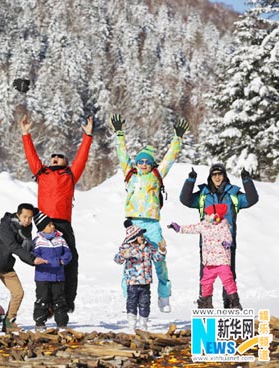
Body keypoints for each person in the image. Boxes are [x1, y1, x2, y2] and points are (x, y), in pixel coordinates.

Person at [110, 113, 189, 313]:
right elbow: (122, 153)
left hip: (152, 224)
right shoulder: (130, 174)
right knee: (129, 259)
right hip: (133, 223)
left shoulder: (156, 174)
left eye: (146, 161)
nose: (143, 164)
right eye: (140, 161)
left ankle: (164, 295)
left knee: (160, 258)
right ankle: (129, 297)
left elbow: (170, 158)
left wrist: (177, 139)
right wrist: (119, 133)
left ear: (151, 164)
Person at [20, 113, 93, 313]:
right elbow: (31, 156)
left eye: (60, 157)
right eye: (53, 156)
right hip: (44, 223)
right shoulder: (41, 172)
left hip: (63, 223)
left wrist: (87, 136)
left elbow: (82, 159)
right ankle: (45, 303)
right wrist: (26, 134)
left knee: (71, 259)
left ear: (65, 162)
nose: (55, 158)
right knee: (44, 261)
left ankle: (67, 302)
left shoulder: (70, 174)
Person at [179, 163, 258, 308]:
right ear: (210, 176)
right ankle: (204, 305)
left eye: (219, 174)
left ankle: (230, 305)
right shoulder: (203, 195)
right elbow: (186, 200)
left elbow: (252, 200)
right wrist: (190, 181)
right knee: (205, 278)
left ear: (224, 175)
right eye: (214, 174)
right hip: (207, 246)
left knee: (228, 277)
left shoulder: (233, 195)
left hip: (227, 245)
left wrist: (247, 180)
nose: (217, 177)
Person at [0, 203, 48, 334]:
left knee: (18, 292)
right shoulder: (5, 226)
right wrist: (32, 259)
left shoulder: (26, 230)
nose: (27, 220)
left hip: (6, 265)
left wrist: (34, 259)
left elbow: (24, 249)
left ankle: (9, 322)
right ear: (18, 215)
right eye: (24, 217)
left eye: (30, 218)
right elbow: (13, 246)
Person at [168, 204, 242, 309]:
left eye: (207, 214)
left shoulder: (223, 225)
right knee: (206, 282)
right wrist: (179, 228)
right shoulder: (204, 225)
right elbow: (192, 228)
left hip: (222, 261)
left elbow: (228, 236)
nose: (205, 216)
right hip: (209, 262)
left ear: (216, 216)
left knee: (228, 281)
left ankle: (235, 302)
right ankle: (206, 303)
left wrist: (227, 243)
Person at [114, 220, 166, 331]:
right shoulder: (127, 247)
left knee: (145, 303)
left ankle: (143, 324)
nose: (142, 237)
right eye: (140, 235)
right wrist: (126, 254)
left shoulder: (148, 245)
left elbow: (157, 258)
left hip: (145, 282)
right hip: (133, 282)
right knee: (132, 302)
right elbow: (118, 259)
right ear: (134, 237)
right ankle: (132, 324)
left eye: (142, 234)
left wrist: (161, 250)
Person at [31, 209, 72, 331]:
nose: (52, 226)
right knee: (42, 299)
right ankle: (40, 323)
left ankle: (62, 324)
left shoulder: (60, 239)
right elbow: (33, 256)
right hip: (43, 276)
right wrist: (42, 261)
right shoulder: (38, 241)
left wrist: (63, 260)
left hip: (58, 276)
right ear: (42, 228)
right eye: (49, 225)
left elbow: (68, 253)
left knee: (59, 300)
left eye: (52, 224)